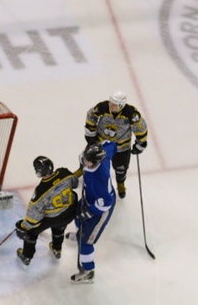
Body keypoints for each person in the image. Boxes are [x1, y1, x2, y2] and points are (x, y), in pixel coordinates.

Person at [15, 156, 80, 266]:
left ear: (38, 172)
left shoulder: (40, 191)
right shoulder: (64, 173)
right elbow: (75, 183)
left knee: (31, 232)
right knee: (60, 227)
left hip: (52, 219)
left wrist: (22, 226)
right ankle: (57, 249)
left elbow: (33, 218)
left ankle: (27, 256)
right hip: (69, 213)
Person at [83, 90, 149, 198]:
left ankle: (120, 183)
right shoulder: (103, 107)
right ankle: (84, 170)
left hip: (121, 148)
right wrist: (90, 133)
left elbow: (140, 127)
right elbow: (91, 114)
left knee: (121, 168)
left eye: (113, 104)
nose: (110, 105)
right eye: (110, 102)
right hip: (101, 144)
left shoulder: (131, 114)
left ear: (120, 105)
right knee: (90, 159)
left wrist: (140, 143)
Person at [72, 141, 117, 284]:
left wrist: (91, 212)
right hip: (91, 197)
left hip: (100, 207)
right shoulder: (103, 154)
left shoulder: (99, 179)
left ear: (96, 161)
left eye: (87, 160)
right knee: (77, 216)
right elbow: (111, 145)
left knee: (85, 242)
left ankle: (88, 272)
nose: (84, 160)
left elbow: (107, 202)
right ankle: (80, 233)